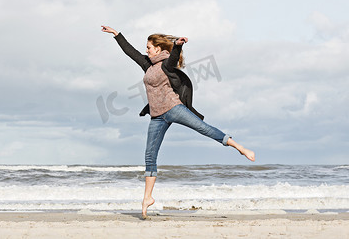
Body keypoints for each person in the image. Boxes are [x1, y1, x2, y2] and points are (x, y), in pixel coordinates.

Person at [101, 25, 255, 219]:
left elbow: (174, 57)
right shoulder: (147, 64)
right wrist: (117, 34)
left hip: (174, 109)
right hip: (157, 116)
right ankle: (147, 198)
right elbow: (130, 52)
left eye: (148, 46)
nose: (146, 49)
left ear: (158, 48)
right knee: (150, 155)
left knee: (203, 128)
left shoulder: (167, 63)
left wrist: (178, 45)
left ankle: (239, 147)